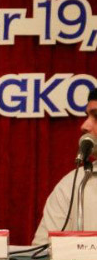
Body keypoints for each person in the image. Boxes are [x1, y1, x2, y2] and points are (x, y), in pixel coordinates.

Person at [33, 87, 97, 244]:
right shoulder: (73, 184)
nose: (85, 126)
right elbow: (42, 250)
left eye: (96, 116)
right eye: (87, 116)